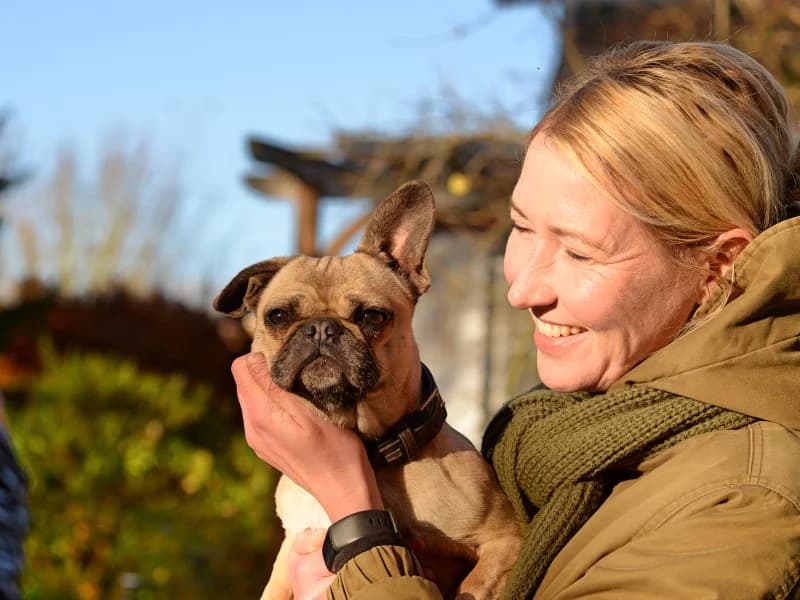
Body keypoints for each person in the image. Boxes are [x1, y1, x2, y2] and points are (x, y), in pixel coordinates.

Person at [231, 40, 800, 599]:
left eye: (579, 252)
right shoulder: (548, 441)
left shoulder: (743, 509)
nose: (521, 288)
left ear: (718, 265)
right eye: (521, 228)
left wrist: (357, 519)